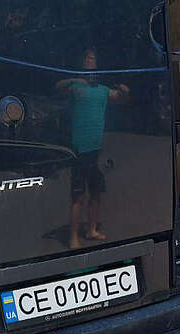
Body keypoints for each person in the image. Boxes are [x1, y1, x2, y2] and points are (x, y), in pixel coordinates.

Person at [56, 48, 130, 249]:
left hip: (97, 151)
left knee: (96, 193)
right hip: (79, 150)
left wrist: (125, 91)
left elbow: (121, 98)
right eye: (88, 58)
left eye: (94, 59)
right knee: (78, 196)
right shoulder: (76, 88)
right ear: (82, 62)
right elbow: (57, 87)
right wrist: (74, 80)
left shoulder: (103, 90)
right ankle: (73, 237)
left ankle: (92, 229)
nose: (92, 61)